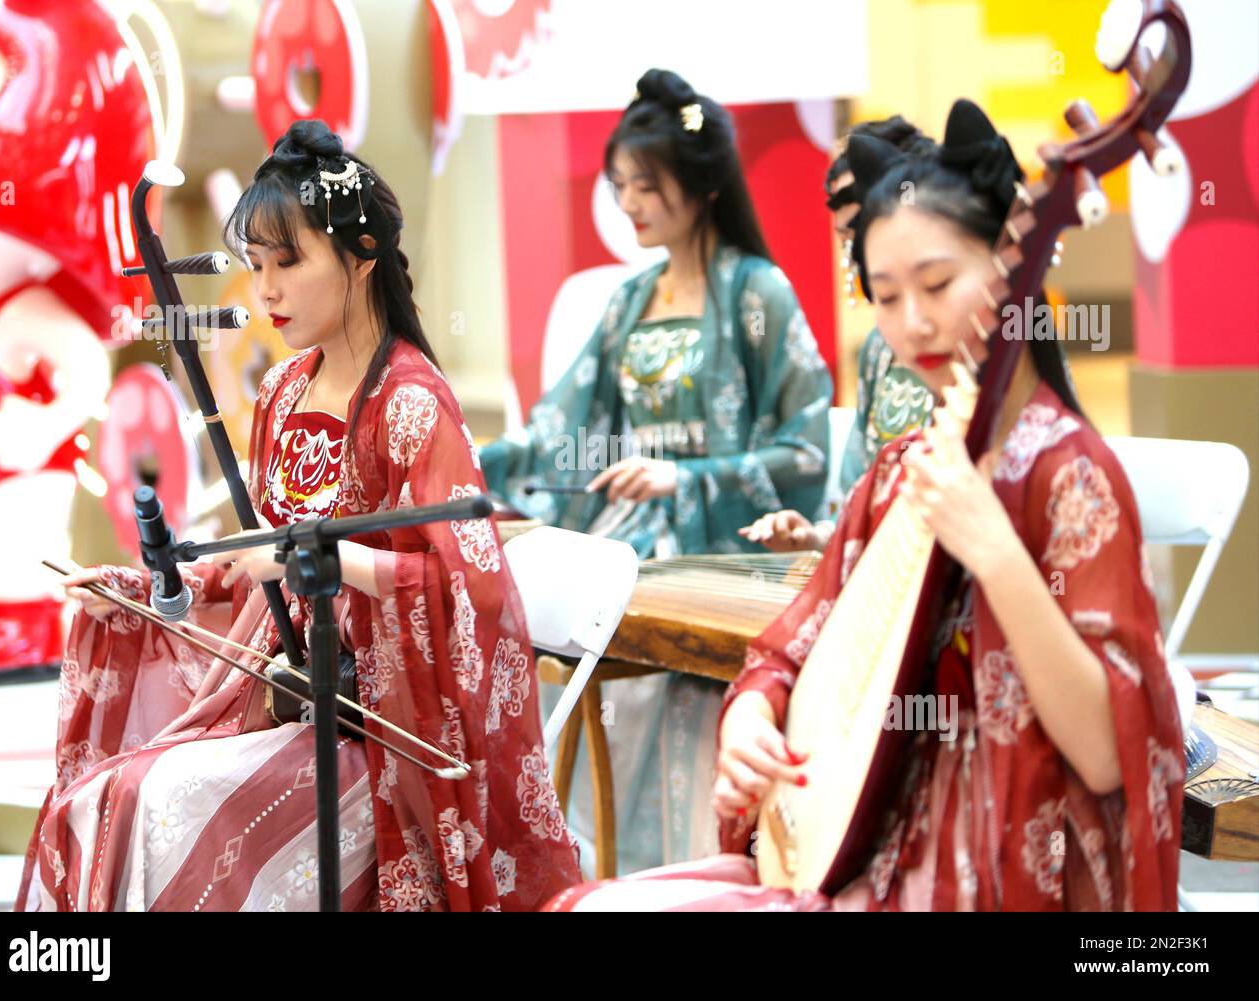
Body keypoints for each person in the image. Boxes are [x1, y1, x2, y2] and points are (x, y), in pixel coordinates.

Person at [545, 99, 1183, 911]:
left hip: (996, 871)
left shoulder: (1073, 479)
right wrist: (750, 717)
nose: (911, 322)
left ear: (1013, 271)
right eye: (884, 296)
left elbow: (1106, 754)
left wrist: (993, 548)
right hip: (865, 844)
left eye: (939, 283)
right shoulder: (900, 471)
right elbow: (787, 648)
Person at [17, 120, 581, 912]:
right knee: (106, 798)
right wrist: (134, 587)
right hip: (279, 700)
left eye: (289, 261)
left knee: (156, 802)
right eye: (255, 266)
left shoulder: (412, 405)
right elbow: (247, 566)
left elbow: (470, 590)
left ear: (361, 258)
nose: (266, 290)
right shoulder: (282, 393)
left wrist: (328, 560)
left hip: (375, 737)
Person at [481, 69, 833, 873]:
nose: (631, 203)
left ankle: (689, 872)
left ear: (701, 183)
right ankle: (595, 871)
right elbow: (562, 430)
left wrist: (691, 477)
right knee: (556, 658)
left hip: (722, 550)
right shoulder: (627, 301)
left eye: (647, 184)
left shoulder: (759, 294)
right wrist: (472, 460)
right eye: (621, 187)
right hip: (628, 541)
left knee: (660, 687)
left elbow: (808, 449)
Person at [742, 117, 936, 554]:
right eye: (850, 242)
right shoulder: (878, 349)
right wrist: (817, 537)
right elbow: (858, 489)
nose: (858, 259)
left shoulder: (983, 335)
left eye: (862, 236)